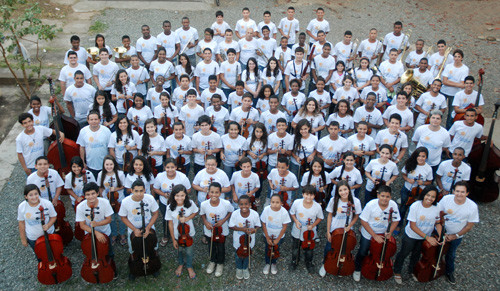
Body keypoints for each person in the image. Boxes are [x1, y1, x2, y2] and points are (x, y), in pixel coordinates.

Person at [393, 185, 441, 284]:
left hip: (424, 237)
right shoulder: (415, 206)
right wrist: (427, 237)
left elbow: (437, 222)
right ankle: (397, 271)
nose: (430, 198)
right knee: (404, 253)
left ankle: (411, 271)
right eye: (428, 195)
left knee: (417, 254)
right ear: (424, 195)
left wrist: (440, 235)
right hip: (411, 236)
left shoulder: (438, 207)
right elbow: (412, 226)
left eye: (433, 197)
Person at [353, 185, 400, 281]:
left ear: (390, 197)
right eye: (382, 196)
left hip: (383, 234)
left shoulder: (393, 205)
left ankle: (374, 268)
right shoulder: (371, 205)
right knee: (363, 251)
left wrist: (390, 232)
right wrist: (374, 235)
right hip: (369, 234)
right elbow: (363, 221)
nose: (385, 199)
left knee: (380, 253)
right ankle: (357, 269)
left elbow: (396, 220)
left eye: (387, 197)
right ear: (378, 195)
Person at [438, 181, 479, 284]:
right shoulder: (446, 199)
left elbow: (469, 226)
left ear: (467, 193)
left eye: (462, 192)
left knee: (451, 254)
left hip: (456, 235)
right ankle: (432, 267)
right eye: (457, 191)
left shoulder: (472, 206)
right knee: (434, 250)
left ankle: (449, 272)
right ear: (453, 191)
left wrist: (455, 236)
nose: (459, 194)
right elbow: (438, 214)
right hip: (440, 231)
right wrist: (441, 232)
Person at [119, 179, 160, 280]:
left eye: (141, 191)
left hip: (148, 228)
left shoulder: (150, 198)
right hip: (133, 231)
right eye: (136, 191)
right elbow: (123, 217)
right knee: (133, 251)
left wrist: (148, 227)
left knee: (153, 248)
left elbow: (155, 213)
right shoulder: (125, 202)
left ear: (145, 190)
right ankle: (134, 269)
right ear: (131, 190)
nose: (139, 194)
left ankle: (153, 267)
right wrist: (134, 229)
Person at [319, 181, 362, 277]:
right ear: (337, 192)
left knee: (345, 249)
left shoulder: (356, 201)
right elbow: (329, 216)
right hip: (334, 229)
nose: (343, 192)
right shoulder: (333, 200)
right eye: (340, 190)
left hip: (348, 230)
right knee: (328, 248)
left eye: (345, 189)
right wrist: (328, 231)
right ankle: (325, 264)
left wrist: (350, 225)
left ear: (349, 189)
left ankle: (342, 265)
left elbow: (356, 216)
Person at [76, 182, 117, 277]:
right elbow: (82, 225)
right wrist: (96, 233)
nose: (91, 197)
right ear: (84, 195)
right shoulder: (80, 207)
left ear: (97, 193)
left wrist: (97, 224)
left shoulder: (105, 203)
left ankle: (111, 268)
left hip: (105, 232)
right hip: (90, 234)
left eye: (93, 194)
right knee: (92, 253)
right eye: (88, 195)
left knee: (108, 252)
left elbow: (109, 219)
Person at [200, 182, 234, 277]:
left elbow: (231, 212)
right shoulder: (204, 204)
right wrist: (206, 222)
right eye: (211, 192)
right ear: (208, 192)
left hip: (222, 230)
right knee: (211, 245)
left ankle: (220, 263)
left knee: (221, 246)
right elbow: (202, 214)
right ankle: (212, 261)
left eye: (216, 192)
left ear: (220, 193)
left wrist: (223, 221)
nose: (214, 195)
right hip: (209, 229)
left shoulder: (226, 203)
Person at [396, 147, 433, 233]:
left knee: (415, 210)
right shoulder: (410, 163)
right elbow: (404, 174)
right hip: (407, 189)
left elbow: (429, 181)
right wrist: (408, 180)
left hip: (419, 192)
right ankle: (399, 224)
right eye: (419, 156)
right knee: (403, 208)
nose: (421, 158)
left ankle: (409, 226)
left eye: (423, 156)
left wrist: (423, 183)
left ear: (426, 157)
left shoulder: (428, 168)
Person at [166, 184, 198, 279]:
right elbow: (170, 224)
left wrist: (187, 218)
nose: (180, 198)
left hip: (189, 233)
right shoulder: (169, 207)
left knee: (189, 251)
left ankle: (189, 266)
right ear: (173, 196)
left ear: (186, 196)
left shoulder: (190, 203)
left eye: (182, 195)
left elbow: (195, 212)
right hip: (177, 234)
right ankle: (180, 264)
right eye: (177, 195)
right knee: (179, 251)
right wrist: (173, 239)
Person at [289, 185, 323, 273]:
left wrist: (313, 225)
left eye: (311, 195)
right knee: (296, 247)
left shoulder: (317, 207)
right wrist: (296, 221)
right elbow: (292, 213)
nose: (308, 197)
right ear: (303, 194)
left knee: (309, 249)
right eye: (306, 194)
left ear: (314, 196)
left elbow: (320, 218)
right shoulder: (297, 202)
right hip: (298, 229)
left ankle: (309, 262)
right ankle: (294, 261)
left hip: (310, 231)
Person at [229, 195, 261, 280]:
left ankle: (245, 268)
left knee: (247, 254)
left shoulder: (254, 214)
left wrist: (254, 230)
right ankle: (239, 268)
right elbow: (231, 226)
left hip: (250, 240)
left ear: (250, 204)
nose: (244, 206)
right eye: (241, 204)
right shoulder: (235, 214)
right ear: (238, 205)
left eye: (246, 204)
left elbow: (258, 225)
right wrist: (242, 229)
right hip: (238, 239)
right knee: (238, 254)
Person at [18, 184, 57, 253]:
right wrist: (23, 239)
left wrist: (48, 225)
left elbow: (53, 217)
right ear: (26, 196)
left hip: (49, 234)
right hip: (33, 237)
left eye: (36, 194)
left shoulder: (47, 204)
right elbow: (21, 222)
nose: (34, 197)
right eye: (31, 195)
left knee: (54, 252)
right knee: (40, 256)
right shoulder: (22, 206)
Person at [97, 155, 127, 245]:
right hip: (107, 201)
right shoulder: (100, 174)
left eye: (111, 164)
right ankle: (114, 234)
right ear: (104, 165)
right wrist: (102, 198)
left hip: (119, 200)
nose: (109, 167)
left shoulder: (120, 174)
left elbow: (123, 186)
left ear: (114, 164)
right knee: (112, 219)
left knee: (121, 218)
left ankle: (122, 234)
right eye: (107, 164)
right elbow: (100, 188)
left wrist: (115, 189)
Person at [260, 194, 291, 275]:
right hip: (268, 235)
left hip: (278, 236)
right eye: (273, 202)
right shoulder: (266, 209)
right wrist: (267, 237)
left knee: (276, 249)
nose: (274, 204)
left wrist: (278, 239)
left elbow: (284, 227)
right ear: (270, 202)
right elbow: (263, 223)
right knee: (268, 248)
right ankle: (267, 263)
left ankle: (273, 263)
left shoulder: (284, 212)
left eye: (277, 202)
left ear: (282, 203)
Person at [77, 110, 112, 178]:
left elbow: (110, 147)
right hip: (90, 165)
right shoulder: (83, 131)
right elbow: (82, 147)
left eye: (96, 119)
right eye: (91, 119)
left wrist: (111, 161)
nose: (94, 121)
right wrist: (83, 162)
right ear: (88, 120)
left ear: (99, 120)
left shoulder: (106, 131)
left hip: (105, 165)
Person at [441, 49, 469, 129]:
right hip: (444, 91)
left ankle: (449, 130)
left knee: (451, 113)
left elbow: (462, 84)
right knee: (440, 109)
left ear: (462, 58)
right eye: (455, 56)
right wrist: (457, 84)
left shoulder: (465, 69)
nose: (456, 58)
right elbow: (444, 81)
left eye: (458, 57)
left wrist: (449, 81)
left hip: (455, 94)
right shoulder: (448, 66)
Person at [246, 122, 268, 200]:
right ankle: (250, 195)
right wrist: (251, 153)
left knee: (259, 182)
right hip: (252, 164)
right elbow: (246, 150)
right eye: (257, 131)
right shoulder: (249, 140)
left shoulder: (265, 141)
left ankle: (257, 197)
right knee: (250, 181)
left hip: (261, 165)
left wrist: (263, 154)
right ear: (254, 131)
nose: (258, 134)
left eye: (261, 132)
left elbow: (267, 151)